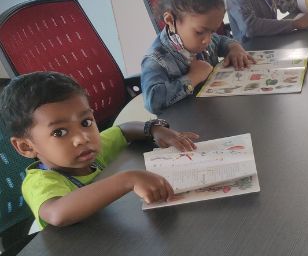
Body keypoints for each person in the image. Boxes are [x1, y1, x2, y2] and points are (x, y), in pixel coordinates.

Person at [1, 71, 200, 228]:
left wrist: (154, 129)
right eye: (59, 132)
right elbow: (57, 213)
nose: (82, 138)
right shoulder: (40, 182)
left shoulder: (90, 151)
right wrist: (128, 179)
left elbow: (123, 130)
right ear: (26, 147)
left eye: (86, 122)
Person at [140, 0, 253, 114]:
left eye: (212, 31)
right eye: (200, 32)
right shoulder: (156, 60)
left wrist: (234, 48)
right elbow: (152, 101)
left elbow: (221, 41)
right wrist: (192, 77)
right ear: (170, 20)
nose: (208, 40)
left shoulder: (204, 39)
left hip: (210, 113)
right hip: (183, 124)